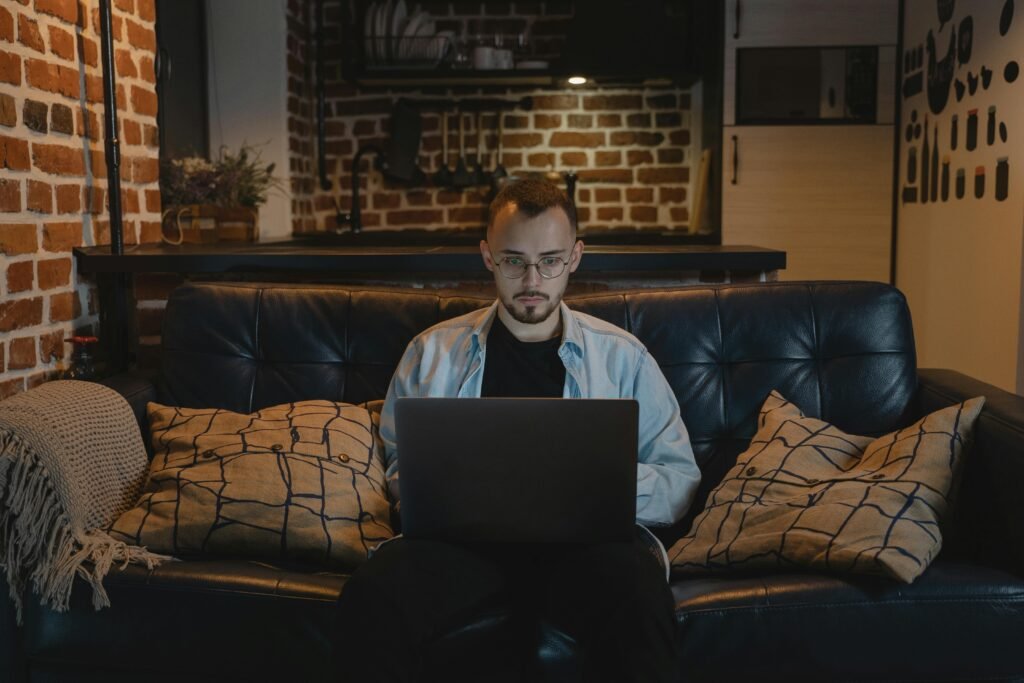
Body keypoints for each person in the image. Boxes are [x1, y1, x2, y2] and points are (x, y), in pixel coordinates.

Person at [335, 178, 701, 682]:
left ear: (575, 257)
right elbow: (400, 467)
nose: (532, 279)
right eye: (513, 260)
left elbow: (677, 477)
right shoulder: (432, 352)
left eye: (550, 260)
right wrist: (442, 494)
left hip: (587, 553)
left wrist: (597, 490)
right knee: (375, 590)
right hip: (460, 550)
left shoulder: (623, 356)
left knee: (638, 588)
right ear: (487, 256)